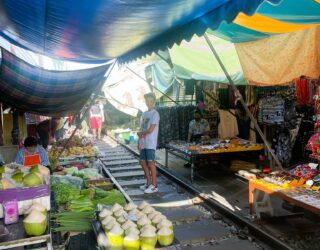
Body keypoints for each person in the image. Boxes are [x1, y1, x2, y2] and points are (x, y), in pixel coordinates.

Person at [138, 93, 160, 194]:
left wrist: (140, 133)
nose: (149, 103)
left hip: (151, 143)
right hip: (144, 142)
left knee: (151, 163)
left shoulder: (155, 114)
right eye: (147, 101)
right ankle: (148, 183)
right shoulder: (144, 114)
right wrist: (139, 140)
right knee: (142, 162)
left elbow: (151, 130)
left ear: (154, 102)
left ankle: (154, 185)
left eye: (151, 101)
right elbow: (141, 128)